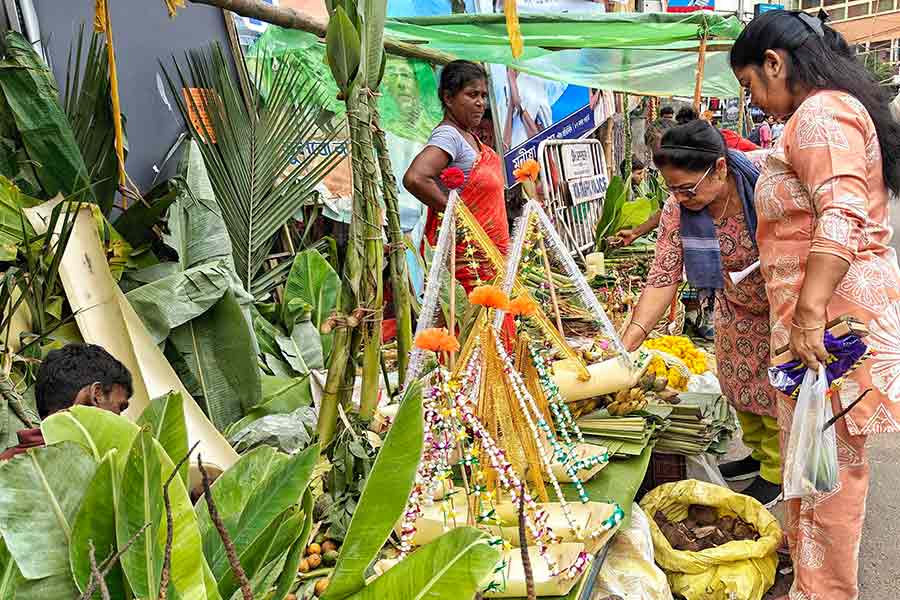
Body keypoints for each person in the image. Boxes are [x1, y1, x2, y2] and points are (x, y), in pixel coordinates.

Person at [731, 10, 900, 598]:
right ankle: (811, 580)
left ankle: (825, 591)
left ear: (774, 63)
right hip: (817, 327)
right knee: (812, 461)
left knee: (830, 472)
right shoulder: (819, 115)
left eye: (750, 84)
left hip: (832, 330)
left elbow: (842, 215)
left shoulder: (822, 114)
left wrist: (808, 316)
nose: (755, 101)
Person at [621, 121, 781, 506]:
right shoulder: (679, 211)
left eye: (687, 188)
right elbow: (663, 275)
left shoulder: (766, 187)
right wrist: (627, 341)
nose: (678, 197)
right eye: (670, 188)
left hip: (782, 310)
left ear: (720, 169)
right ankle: (759, 458)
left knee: (775, 393)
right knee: (739, 386)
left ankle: (778, 473)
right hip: (733, 308)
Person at [404, 60, 510, 292]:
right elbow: (415, 178)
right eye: (472, 94)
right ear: (448, 98)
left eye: (483, 95)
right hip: (470, 259)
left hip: (489, 254)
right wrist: (460, 215)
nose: (481, 103)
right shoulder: (449, 136)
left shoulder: (469, 136)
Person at [0, 343, 133, 460]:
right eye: (120, 409)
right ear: (97, 395)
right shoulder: (81, 477)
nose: (122, 421)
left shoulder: (10, 461)